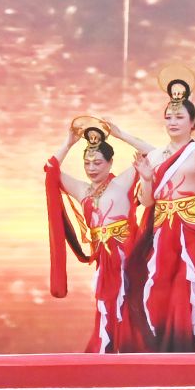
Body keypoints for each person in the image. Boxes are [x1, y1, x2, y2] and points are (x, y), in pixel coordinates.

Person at [125, 64, 195, 353]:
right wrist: (146, 178)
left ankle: (188, 342)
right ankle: (160, 341)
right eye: (168, 117)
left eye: (179, 117)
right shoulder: (156, 156)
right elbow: (147, 202)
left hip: (192, 227)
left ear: (193, 122)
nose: (173, 122)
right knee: (159, 281)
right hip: (162, 228)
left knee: (187, 283)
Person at [43, 116, 149, 354]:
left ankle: (132, 350)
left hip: (126, 254)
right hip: (102, 257)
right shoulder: (82, 190)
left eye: (98, 163)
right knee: (107, 304)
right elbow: (50, 170)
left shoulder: (122, 182)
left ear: (110, 163)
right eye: (87, 163)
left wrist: (121, 135)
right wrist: (68, 143)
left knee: (129, 301)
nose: (91, 169)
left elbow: (153, 154)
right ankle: (108, 350)